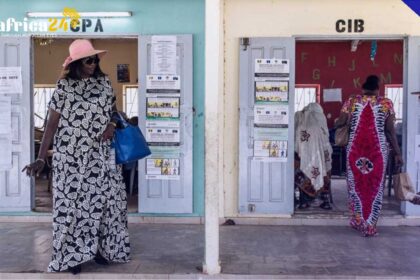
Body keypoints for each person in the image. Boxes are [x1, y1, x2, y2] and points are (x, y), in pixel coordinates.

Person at [22, 39, 130, 273]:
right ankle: (73, 256)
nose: (93, 64)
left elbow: (114, 111)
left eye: (95, 59)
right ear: (77, 63)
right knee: (72, 207)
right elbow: (51, 125)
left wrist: (111, 124)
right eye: (88, 60)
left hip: (101, 156)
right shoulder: (64, 87)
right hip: (70, 158)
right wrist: (41, 158)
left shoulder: (104, 82)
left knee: (106, 204)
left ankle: (101, 250)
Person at [335, 75, 403, 237]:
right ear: (377, 89)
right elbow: (390, 131)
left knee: (355, 186)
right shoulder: (386, 103)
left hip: (355, 150)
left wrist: (342, 121)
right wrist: (398, 153)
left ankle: (358, 221)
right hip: (377, 151)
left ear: (363, 88)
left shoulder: (351, 101)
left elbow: (340, 122)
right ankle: (370, 225)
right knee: (375, 187)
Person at [294, 103, 333, 210]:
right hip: (323, 156)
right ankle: (325, 201)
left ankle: (303, 201)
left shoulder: (302, 120)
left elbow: (296, 142)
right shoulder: (321, 119)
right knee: (325, 171)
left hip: (304, 155)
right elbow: (327, 140)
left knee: (301, 170)